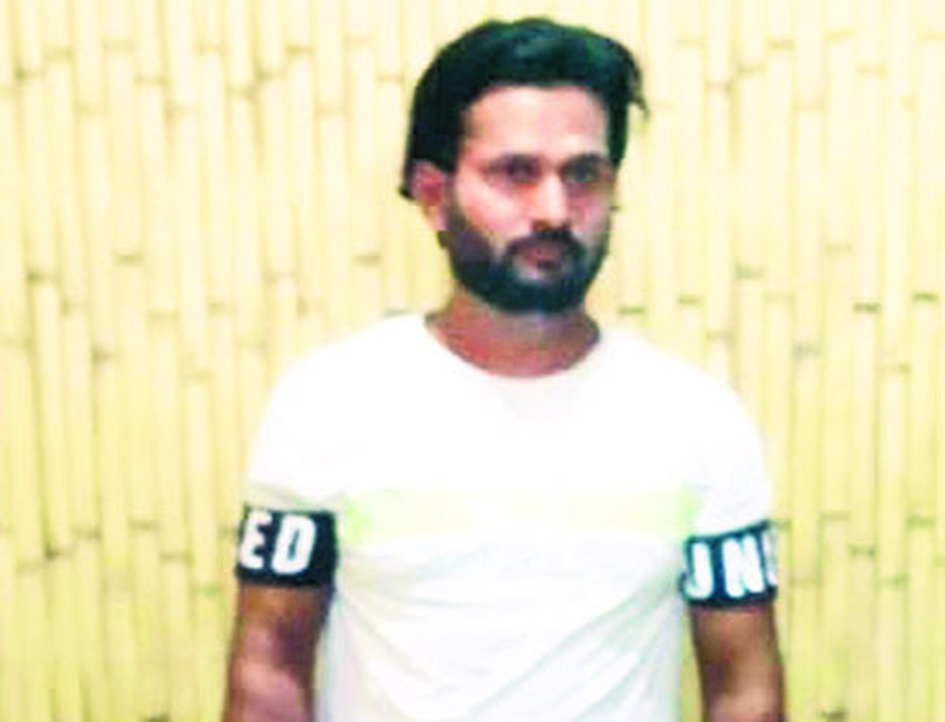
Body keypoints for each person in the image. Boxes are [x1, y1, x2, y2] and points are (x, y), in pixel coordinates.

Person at [222, 17, 784, 722]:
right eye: (515, 174)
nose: (554, 210)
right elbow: (269, 669)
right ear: (433, 195)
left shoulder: (698, 422)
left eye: (583, 175)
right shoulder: (327, 405)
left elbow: (744, 690)